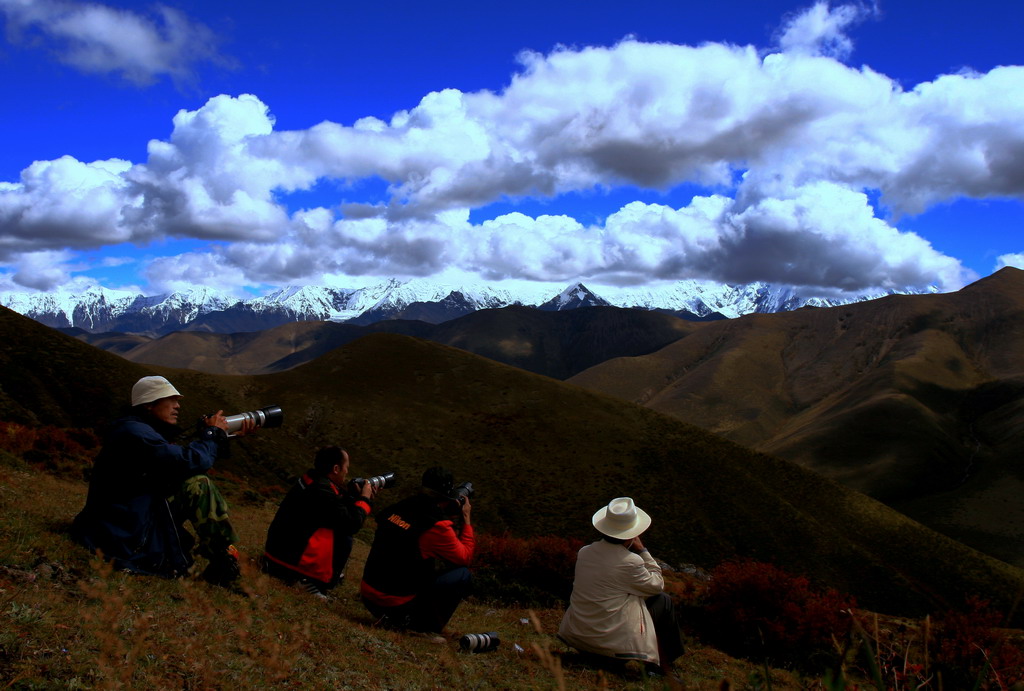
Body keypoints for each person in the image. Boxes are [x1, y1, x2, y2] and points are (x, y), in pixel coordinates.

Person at [71, 375, 252, 585]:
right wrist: (212, 433)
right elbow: (189, 461)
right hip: (125, 532)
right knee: (198, 484)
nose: (177, 406)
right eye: (171, 400)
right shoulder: (137, 434)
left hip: (127, 516)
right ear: (149, 404)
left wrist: (221, 438)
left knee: (193, 481)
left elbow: (176, 461)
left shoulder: (136, 429)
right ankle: (222, 560)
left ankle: (223, 559)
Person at [558, 497, 685, 676]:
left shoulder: (584, 552)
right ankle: (666, 661)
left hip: (578, 638)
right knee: (662, 601)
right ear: (631, 536)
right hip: (611, 648)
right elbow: (657, 585)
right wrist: (642, 550)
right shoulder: (630, 562)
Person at [360, 466, 474, 636]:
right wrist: (466, 519)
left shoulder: (401, 506)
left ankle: (394, 615)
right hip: (395, 604)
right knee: (462, 574)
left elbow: (407, 535)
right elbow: (464, 557)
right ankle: (424, 627)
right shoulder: (437, 525)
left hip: (369, 596)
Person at [263, 446, 377, 598]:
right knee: (343, 536)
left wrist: (351, 497)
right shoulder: (322, 490)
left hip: (276, 554)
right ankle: (307, 580)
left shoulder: (312, 479)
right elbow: (352, 523)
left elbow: (332, 509)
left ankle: (300, 573)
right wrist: (364, 500)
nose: (347, 472)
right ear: (336, 468)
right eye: (346, 467)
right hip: (289, 563)